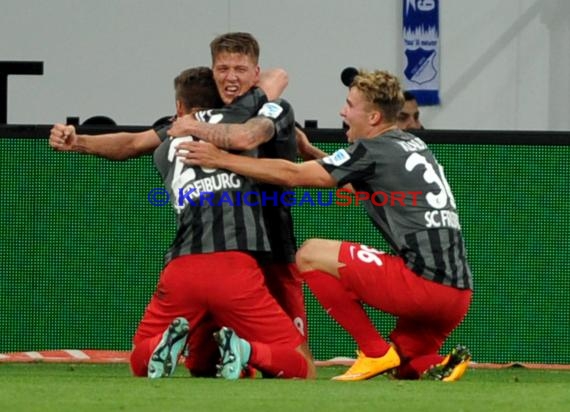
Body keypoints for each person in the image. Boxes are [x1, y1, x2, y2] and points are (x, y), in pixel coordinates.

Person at [181, 69, 473, 382]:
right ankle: (441, 364)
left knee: (309, 253)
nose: (342, 111)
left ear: (373, 117)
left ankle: (373, 351)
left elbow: (294, 176)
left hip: (422, 285)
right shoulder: (409, 143)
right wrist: (310, 152)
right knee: (402, 365)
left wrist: (221, 159)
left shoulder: (372, 150)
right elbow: (352, 183)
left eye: (349, 105)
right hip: (458, 295)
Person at [49, 66, 316, 380]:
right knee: (302, 367)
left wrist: (78, 141)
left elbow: (131, 144)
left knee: (149, 359)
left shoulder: (167, 139)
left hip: (182, 268)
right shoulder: (240, 125)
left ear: (179, 108)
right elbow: (276, 79)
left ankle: (165, 345)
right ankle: (246, 351)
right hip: (236, 265)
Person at [167, 32, 325, 348]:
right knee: (211, 358)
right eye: (223, 69)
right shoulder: (209, 118)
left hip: (274, 245)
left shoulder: (273, 109)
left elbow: (248, 136)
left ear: (255, 74)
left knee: (294, 351)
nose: (230, 77)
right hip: (228, 252)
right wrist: (80, 143)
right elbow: (137, 141)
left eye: (240, 69)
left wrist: (194, 129)